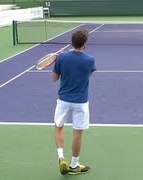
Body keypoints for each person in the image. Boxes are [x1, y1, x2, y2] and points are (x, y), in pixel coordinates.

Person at [52, 29, 96, 175]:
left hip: (63, 100)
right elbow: (88, 74)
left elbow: (54, 79)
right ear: (85, 43)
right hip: (81, 103)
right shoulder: (90, 60)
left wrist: (58, 63)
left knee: (58, 128)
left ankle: (60, 158)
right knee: (78, 133)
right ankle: (74, 165)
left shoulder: (61, 58)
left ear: (72, 41)